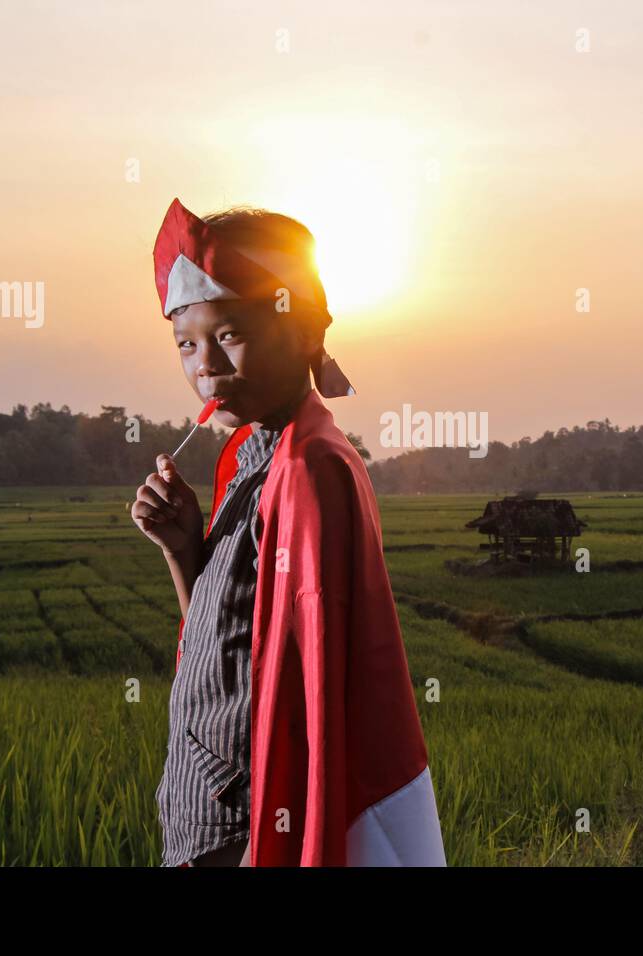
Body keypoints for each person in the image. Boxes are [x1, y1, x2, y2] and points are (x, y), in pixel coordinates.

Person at [132, 197, 447, 866]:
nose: (204, 365)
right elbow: (238, 653)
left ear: (305, 332)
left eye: (230, 334)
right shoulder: (254, 458)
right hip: (200, 826)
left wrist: (265, 850)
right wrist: (185, 547)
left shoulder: (308, 472)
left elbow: (312, 699)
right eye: (185, 343)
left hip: (244, 834)